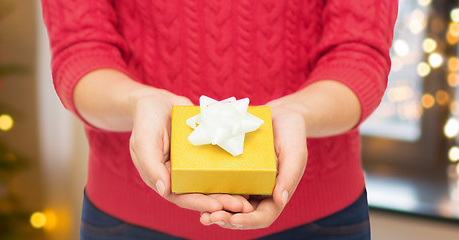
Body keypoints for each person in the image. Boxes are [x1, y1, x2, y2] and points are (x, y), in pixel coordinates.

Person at [42, 0, 396, 239]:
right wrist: (139, 102)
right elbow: (80, 52)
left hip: (316, 219)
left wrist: (299, 114)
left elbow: (359, 53)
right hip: (129, 220)